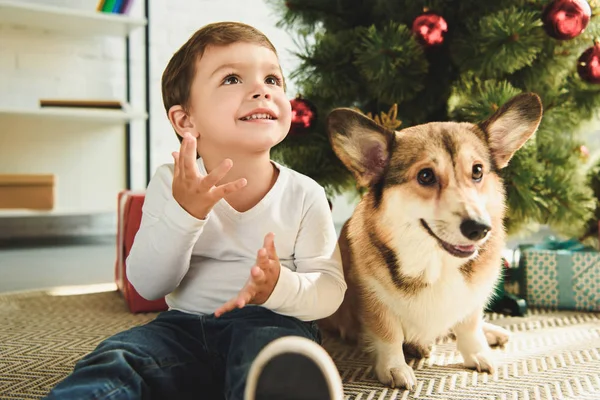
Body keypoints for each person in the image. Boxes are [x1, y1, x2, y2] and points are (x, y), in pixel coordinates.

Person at [43, 21, 347, 400]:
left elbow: (330, 289)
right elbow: (149, 284)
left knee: (274, 358)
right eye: (233, 79)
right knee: (119, 357)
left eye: (273, 79)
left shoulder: (306, 194)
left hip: (271, 323)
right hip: (182, 327)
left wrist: (278, 288)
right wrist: (185, 213)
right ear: (186, 121)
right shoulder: (171, 182)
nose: (261, 90)